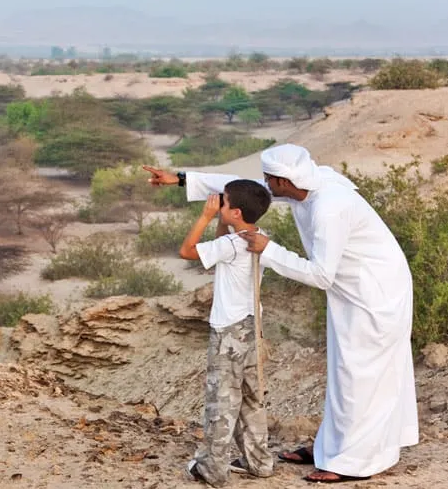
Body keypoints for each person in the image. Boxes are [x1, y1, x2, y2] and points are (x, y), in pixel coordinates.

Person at [145, 143, 419, 483]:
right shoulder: (306, 185)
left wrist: (269, 249)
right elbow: (246, 190)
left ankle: (353, 462)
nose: (265, 184)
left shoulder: (329, 208)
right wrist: (181, 178)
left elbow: (321, 275)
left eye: (268, 179)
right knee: (343, 373)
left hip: (375, 294)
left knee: (360, 377)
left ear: (283, 181)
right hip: (351, 291)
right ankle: (331, 447)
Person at [177, 180, 274, 487]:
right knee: (251, 398)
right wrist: (223, 220)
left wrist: (206, 216)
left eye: (225, 202)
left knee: (221, 399)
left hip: (228, 330)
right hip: (252, 327)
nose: (220, 204)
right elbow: (221, 244)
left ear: (236, 212)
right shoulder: (257, 237)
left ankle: (212, 468)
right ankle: (259, 462)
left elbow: (186, 251)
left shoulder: (231, 244)